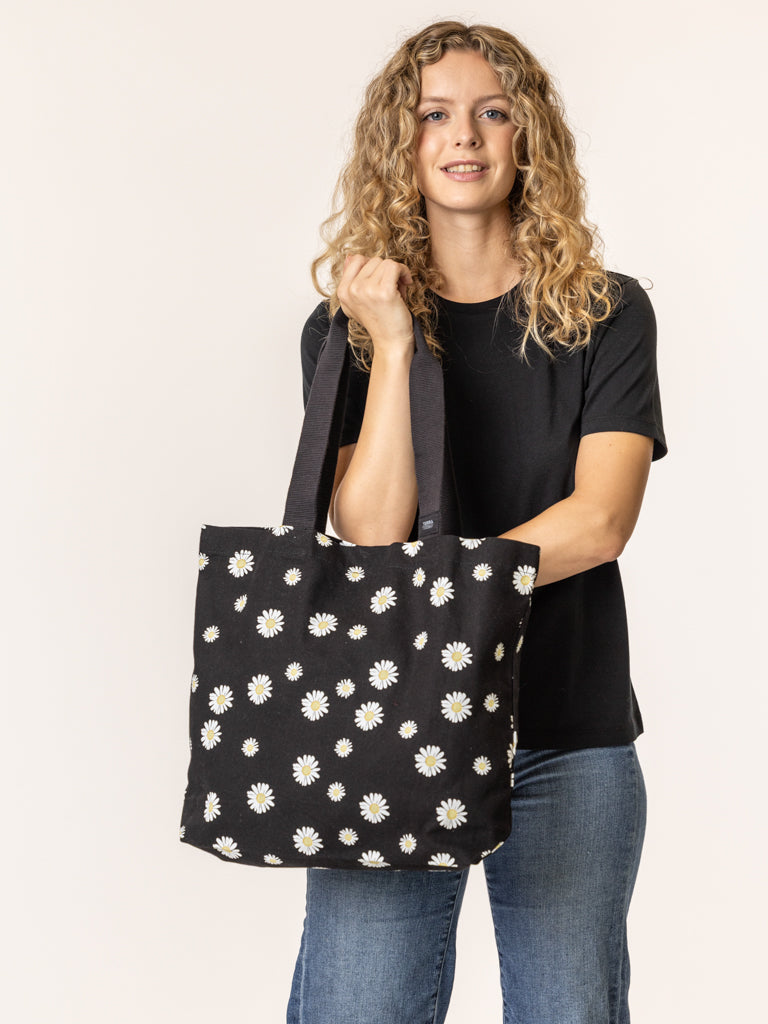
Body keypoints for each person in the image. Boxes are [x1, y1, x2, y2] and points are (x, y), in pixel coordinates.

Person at [288, 20, 666, 1024]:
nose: (464, 136)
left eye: (492, 112)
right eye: (434, 116)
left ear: (527, 134)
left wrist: (440, 584)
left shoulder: (605, 312)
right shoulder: (344, 330)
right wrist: (395, 344)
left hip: (564, 733)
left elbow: (600, 520)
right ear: (400, 143)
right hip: (391, 728)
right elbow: (373, 532)